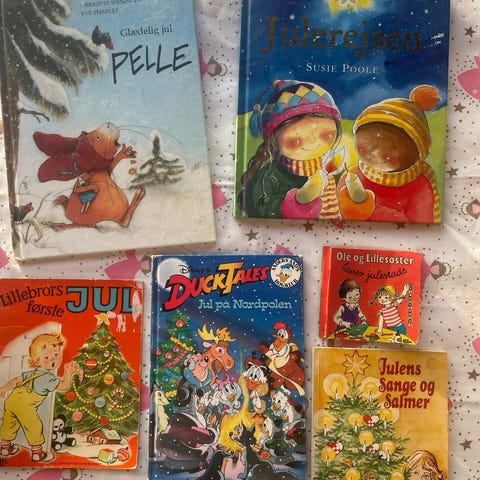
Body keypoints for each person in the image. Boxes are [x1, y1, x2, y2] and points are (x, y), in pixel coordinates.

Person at [238, 79, 345, 219]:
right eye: (296, 140)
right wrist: (300, 199)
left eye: (325, 134)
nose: (313, 142)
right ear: (273, 141)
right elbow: (256, 207)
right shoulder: (270, 176)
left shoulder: (331, 166)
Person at [338, 85, 442, 223]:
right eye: (367, 139)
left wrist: (369, 210)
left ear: (415, 150)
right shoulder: (354, 174)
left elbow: (420, 223)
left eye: (390, 143)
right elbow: (336, 209)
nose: (373, 150)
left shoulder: (419, 185)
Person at [0, 332, 78, 462]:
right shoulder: (48, 378)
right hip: (25, 407)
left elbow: (16, 379)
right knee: (34, 427)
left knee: (9, 424)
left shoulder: (31, 373)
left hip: (11, 401)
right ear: (37, 361)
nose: (53, 359)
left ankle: (5, 448)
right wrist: (68, 373)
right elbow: (64, 386)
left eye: (56, 354)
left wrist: (4, 388)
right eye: (46, 357)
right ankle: (38, 453)